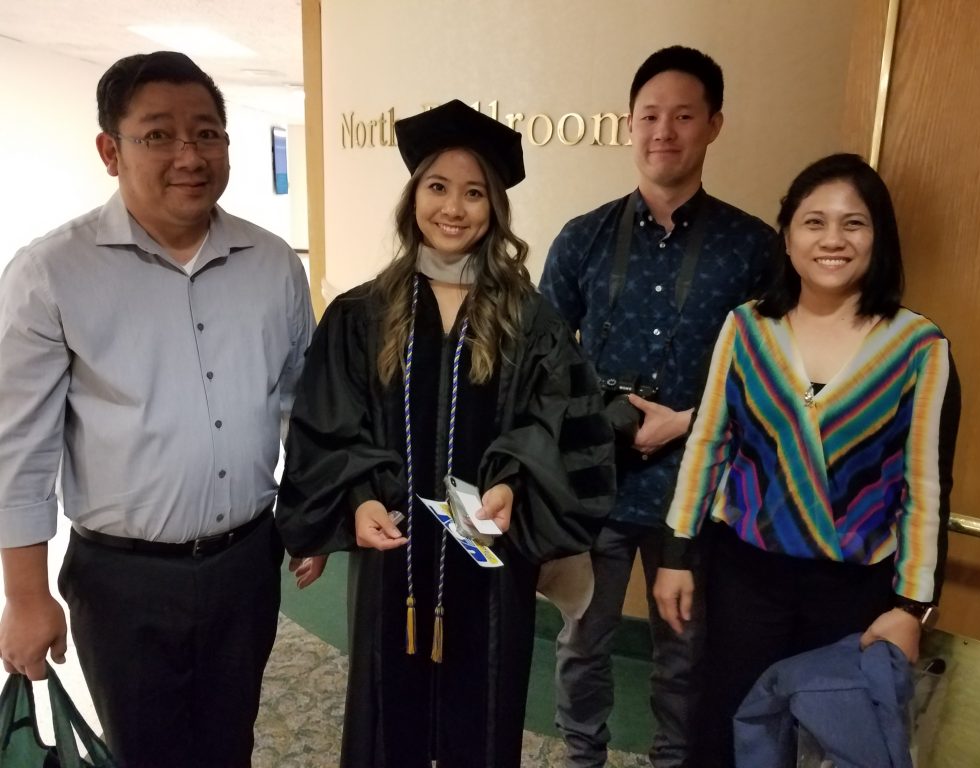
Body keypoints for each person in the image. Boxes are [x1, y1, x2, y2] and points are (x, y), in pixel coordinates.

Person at [275, 99, 616, 768]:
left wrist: (514, 481)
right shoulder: (361, 313)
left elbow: (558, 424)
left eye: (474, 192)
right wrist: (359, 499)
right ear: (413, 198)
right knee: (386, 718)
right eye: (437, 186)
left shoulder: (530, 320)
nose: (453, 208)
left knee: (481, 716)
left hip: (488, 556)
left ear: (495, 208)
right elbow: (329, 424)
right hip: (391, 551)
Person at [0, 51, 315, 767]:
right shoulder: (51, 273)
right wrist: (25, 594)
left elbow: (301, 405)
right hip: (122, 581)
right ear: (110, 151)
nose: (189, 156)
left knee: (230, 742)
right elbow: (20, 447)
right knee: (146, 753)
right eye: (158, 135)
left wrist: (312, 515)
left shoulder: (273, 264)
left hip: (246, 563)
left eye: (206, 133)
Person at [654, 153, 961, 767]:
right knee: (725, 731)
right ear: (788, 235)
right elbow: (709, 444)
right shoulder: (746, 328)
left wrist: (910, 608)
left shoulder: (919, 348)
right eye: (814, 222)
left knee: (833, 741)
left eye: (854, 223)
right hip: (746, 578)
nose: (832, 239)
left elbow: (926, 489)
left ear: (879, 237)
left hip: (854, 591)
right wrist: (676, 553)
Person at [539, 45, 774, 767]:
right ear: (628, 124)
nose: (662, 131)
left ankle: (676, 760)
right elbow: (542, 362)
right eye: (648, 116)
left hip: (700, 492)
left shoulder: (754, 248)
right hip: (596, 483)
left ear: (714, 125)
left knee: (685, 652)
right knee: (583, 640)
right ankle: (582, 756)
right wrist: (597, 416)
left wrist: (691, 421)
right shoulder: (581, 237)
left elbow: (772, 378)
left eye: (683, 116)